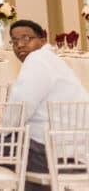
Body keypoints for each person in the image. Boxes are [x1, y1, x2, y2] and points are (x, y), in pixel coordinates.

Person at [7, 19, 89, 191]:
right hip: (74, 151)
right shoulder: (51, 60)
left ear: (42, 40)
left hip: (57, 155)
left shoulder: (36, 61)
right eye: (14, 42)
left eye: (26, 38)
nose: (19, 45)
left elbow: (20, 109)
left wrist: (0, 133)